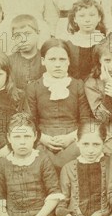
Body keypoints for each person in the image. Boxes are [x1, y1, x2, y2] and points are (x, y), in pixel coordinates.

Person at [44, 121, 112, 216]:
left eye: (96, 144)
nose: (90, 150)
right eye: (85, 144)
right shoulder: (68, 168)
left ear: (104, 142)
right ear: (77, 142)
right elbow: (61, 207)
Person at [26, 39, 92, 170]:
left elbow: (86, 120)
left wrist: (71, 137)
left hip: (73, 138)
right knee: (38, 159)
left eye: (62, 59)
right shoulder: (33, 87)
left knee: (81, 154)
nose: (57, 64)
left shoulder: (78, 85)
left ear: (68, 61)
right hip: (43, 139)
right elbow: (29, 120)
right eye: (52, 59)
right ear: (43, 61)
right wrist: (42, 138)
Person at [65, 0, 106, 81]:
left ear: (99, 18)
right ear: (75, 19)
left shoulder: (105, 42)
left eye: (92, 15)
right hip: (75, 86)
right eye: (82, 16)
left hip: (98, 87)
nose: (87, 20)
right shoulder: (69, 44)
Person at [8, 14, 45, 90]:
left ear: (38, 33)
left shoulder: (46, 59)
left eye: (27, 34)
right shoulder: (8, 61)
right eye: (18, 36)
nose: (23, 40)